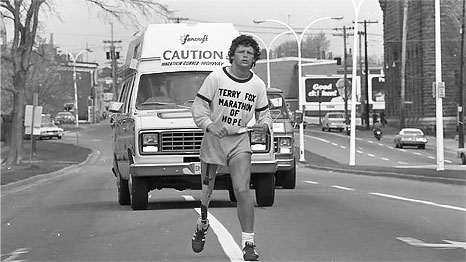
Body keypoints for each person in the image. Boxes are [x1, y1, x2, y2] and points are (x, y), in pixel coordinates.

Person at [190, 35, 272, 261]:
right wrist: (209, 125)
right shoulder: (216, 77)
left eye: (250, 53)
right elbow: (198, 107)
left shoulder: (257, 84)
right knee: (206, 193)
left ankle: (248, 243)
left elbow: (264, 114)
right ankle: (202, 223)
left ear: (254, 59)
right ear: (233, 55)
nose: (246, 56)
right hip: (214, 140)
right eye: (241, 52)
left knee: (242, 190)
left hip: (239, 141)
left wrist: (264, 125)